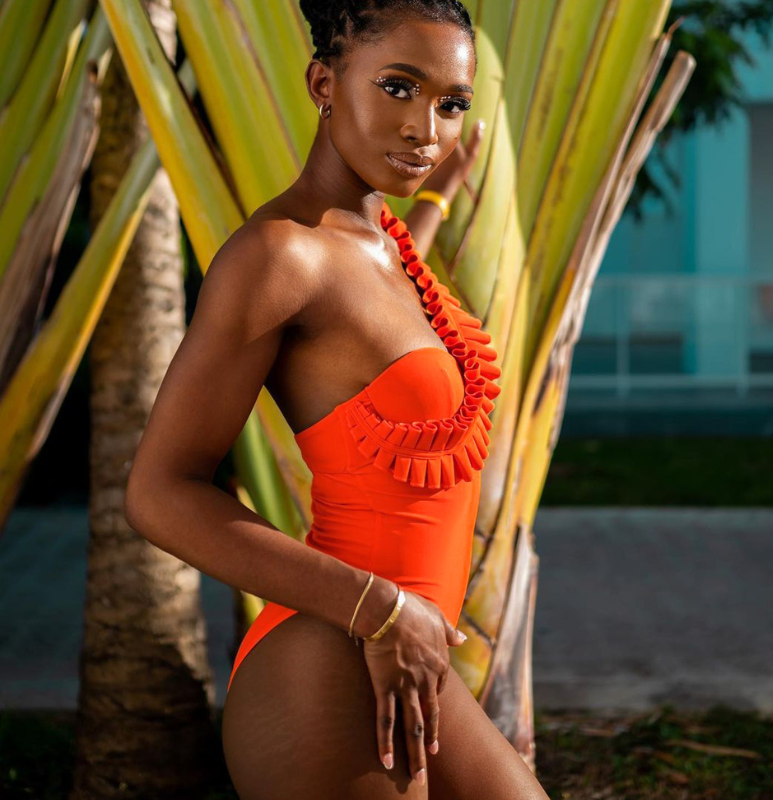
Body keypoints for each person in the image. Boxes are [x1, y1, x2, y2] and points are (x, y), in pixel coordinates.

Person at [124, 1, 552, 798]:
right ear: (324, 81)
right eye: (398, 87)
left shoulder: (380, 247)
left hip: (410, 652)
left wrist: (436, 202)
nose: (425, 126)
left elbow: (375, 328)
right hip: (332, 651)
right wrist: (382, 610)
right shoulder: (278, 256)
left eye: (451, 103)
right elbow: (158, 492)